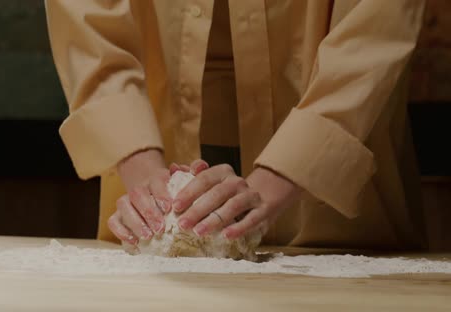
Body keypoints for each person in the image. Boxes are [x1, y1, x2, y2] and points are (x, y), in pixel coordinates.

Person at [45, 0, 427, 250]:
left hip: (334, 202)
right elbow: (85, 18)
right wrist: (143, 172)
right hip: (155, 136)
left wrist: (284, 175)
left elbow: (377, 26)